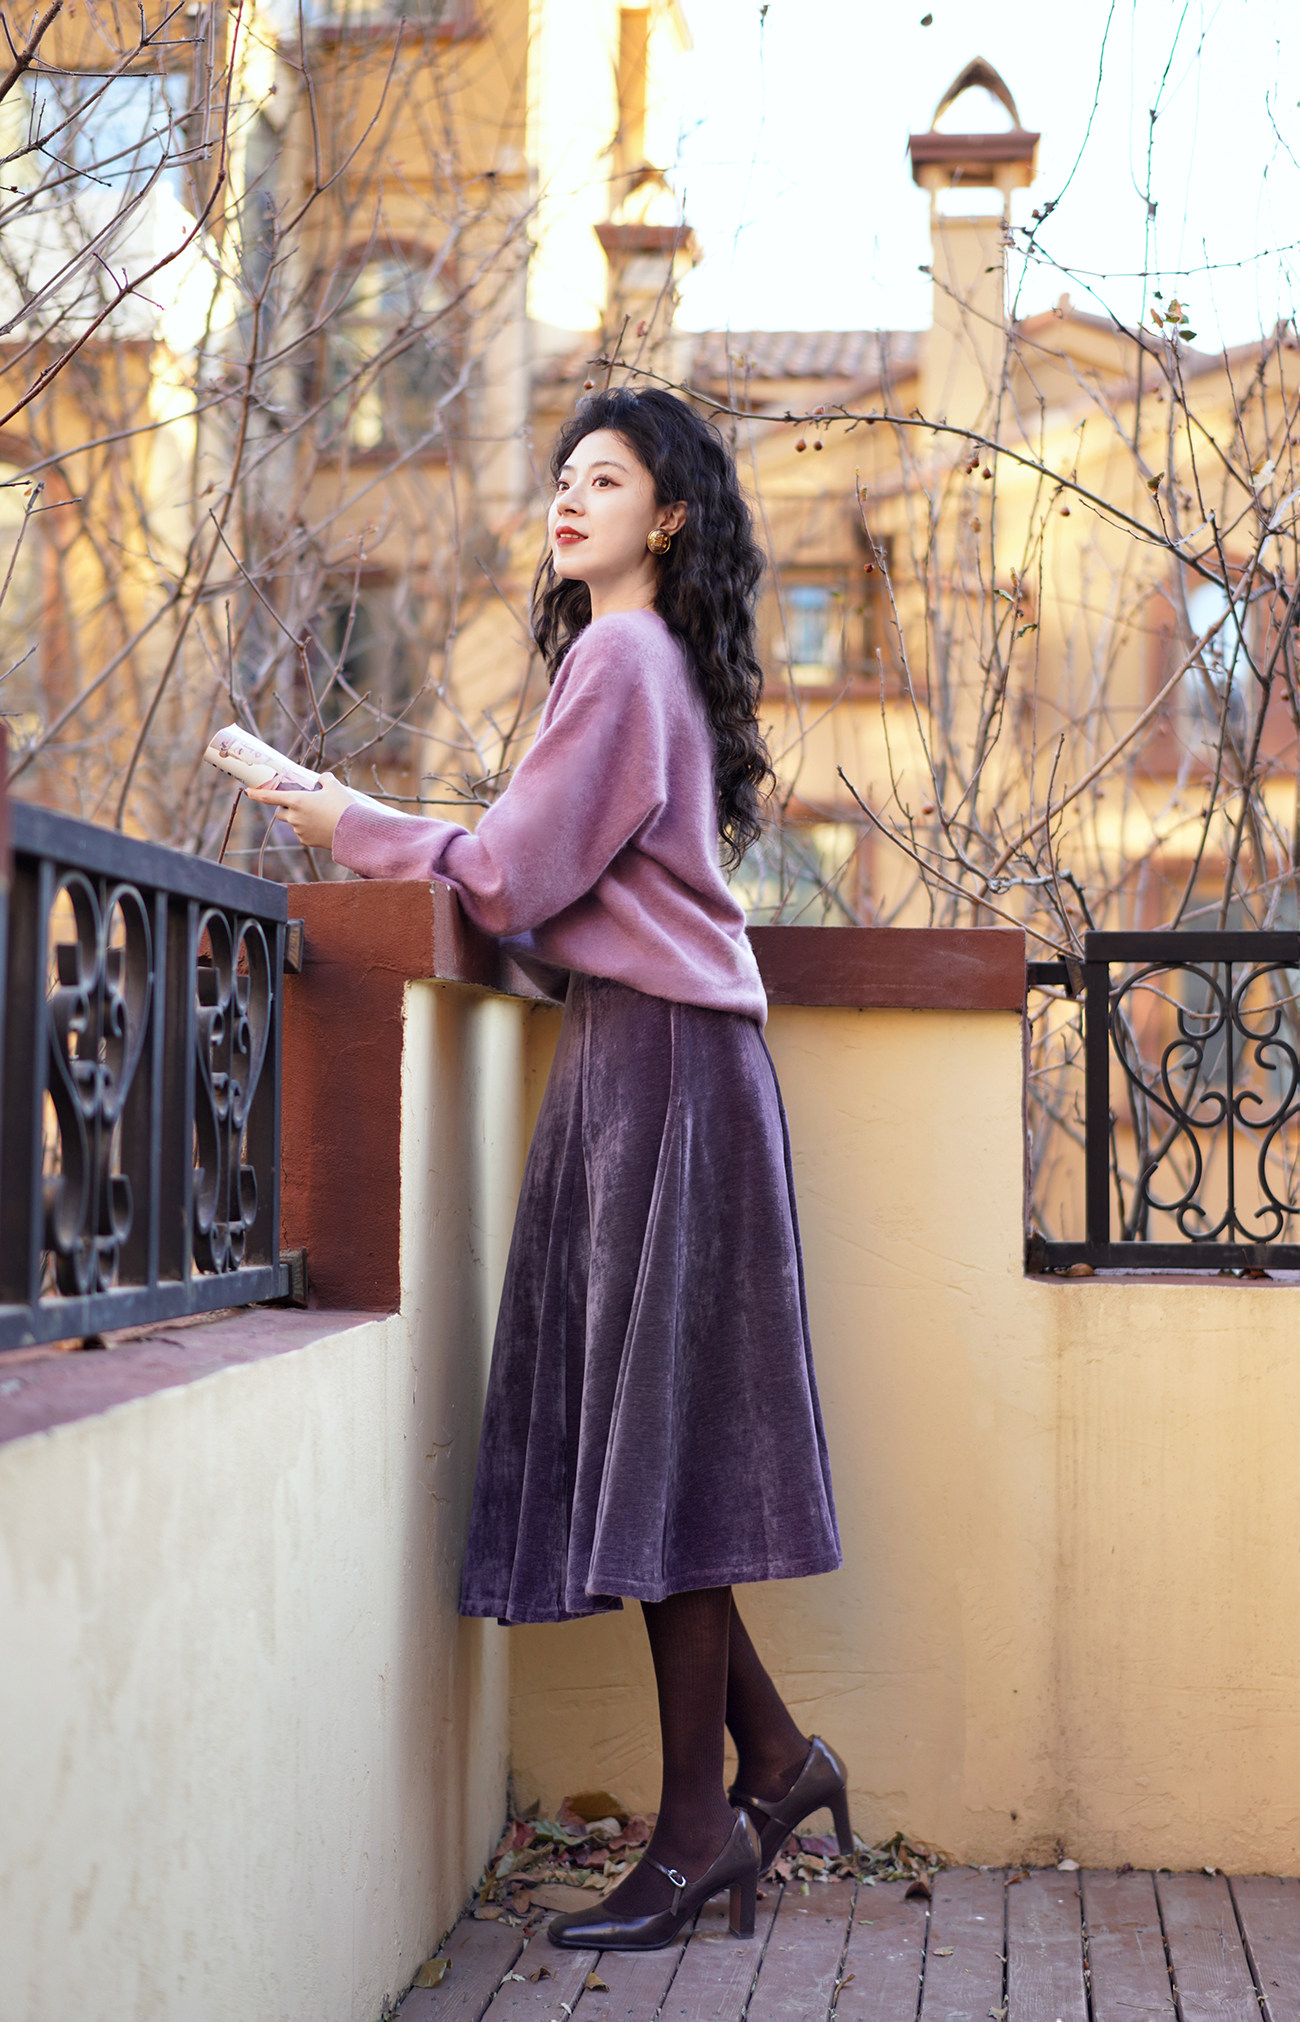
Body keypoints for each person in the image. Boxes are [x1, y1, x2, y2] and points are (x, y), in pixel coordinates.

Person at [249, 386, 850, 1953]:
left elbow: (512, 876)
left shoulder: (621, 659)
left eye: (609, 477)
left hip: (665, 1071)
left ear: (669, 516)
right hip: (652, 1063)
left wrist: (345, 818)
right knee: (660, 1450)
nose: (570, 497)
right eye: (564, 475)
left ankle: (698, 1836)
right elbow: (558, 882)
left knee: (667, 1458)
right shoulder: (642, 663)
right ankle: (775, 1764)